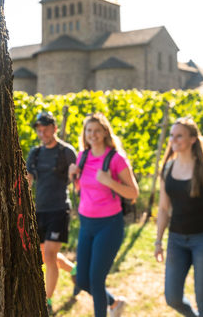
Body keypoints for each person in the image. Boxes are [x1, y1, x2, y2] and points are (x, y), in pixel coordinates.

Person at [154, 116, 203, 317]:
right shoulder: (168, 169)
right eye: (172, 136)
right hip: (176, 240)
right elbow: (163, 209)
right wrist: (158, 241)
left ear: (193, 139)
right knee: (172, 297)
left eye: (179, 136)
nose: (174, 140)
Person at [68, 113, 139, 317]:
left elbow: (133, 193)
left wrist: (110, 182)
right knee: (82, 280)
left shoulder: (116, 158)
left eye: (97, 130)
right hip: (86, 224)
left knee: (96, 279)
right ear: (85, 133)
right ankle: (115, 304)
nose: (93, 134)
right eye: (89, 130)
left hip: (109, 225)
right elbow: (82, 187)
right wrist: (72, 175)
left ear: (105, 132)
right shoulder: (82, 157)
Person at [26, 111, 77, 316]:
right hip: (39, 210)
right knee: (46, 255)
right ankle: (75, 271)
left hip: (59, 209)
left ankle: (46, 301)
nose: (42, 133)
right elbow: (28, 179)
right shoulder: (35, 153)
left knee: (48, 255)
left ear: (54, 128)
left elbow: (75, 175)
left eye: (45, 129)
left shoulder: (66, 151)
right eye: (39, 130)